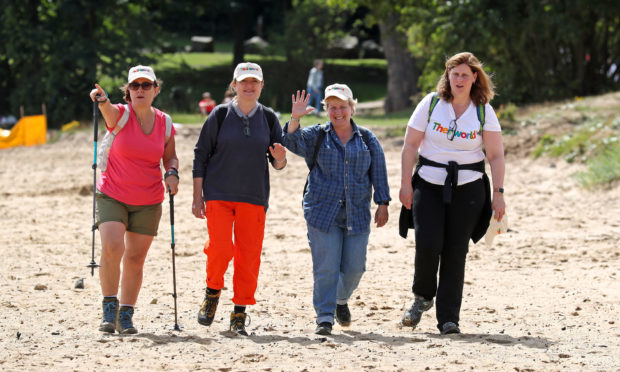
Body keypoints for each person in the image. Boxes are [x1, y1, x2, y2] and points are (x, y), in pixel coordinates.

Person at [399, 52, 506, 335]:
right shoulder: (431, 104)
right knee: (428, 242)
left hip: (469, 188)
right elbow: (410, 145)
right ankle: (422, 297)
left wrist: (499, 193)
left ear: (474, 78)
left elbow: (495, 155)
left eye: (465, 75)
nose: (459, 79)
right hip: (428, 183)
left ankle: (449, 319)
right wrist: (405, 184)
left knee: (456, 252)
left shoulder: (483, 110)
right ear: (448, 76)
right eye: (454, 74)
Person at [282, 84, 391, 335]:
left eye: (342, 106)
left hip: (358, 212)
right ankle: (324, 317)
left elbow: (379, 172)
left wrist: (383, 203)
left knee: (355, 268)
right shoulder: (317, 135)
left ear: (352, 108)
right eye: (332, 107)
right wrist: (295, 117)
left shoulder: (367, 138)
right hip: (322, 212)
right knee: (326, 267)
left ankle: (341, 300)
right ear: (327, 110)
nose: (338, 112)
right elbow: (290, 140)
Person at [192, 62, 287, 336]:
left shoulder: (269, 118)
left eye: (254, 81)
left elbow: (277, 163)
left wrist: (280, 160)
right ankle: (212, 292)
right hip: (218, 195)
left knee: (249, 256)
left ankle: (240, 312)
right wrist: (196, 196)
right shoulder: (219, 115)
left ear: (261, 86)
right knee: (221, 248)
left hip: (254, 197)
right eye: (243, 81)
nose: (248, 86)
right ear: (234, 84)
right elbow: (200, 155)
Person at [89, 65, 179, 334]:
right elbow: (108, 112)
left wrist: (172, 172)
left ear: (155, 90)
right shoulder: (120, 114)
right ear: (128, 90)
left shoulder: (165, 122)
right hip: (112, 194)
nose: (140, 89)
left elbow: (170, 155)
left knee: (136, 258)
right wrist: (103, 100)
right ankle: (109, 309)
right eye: (135, 85)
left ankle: (126, 314)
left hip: (149, 199)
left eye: (146, 85)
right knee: (113, 246)